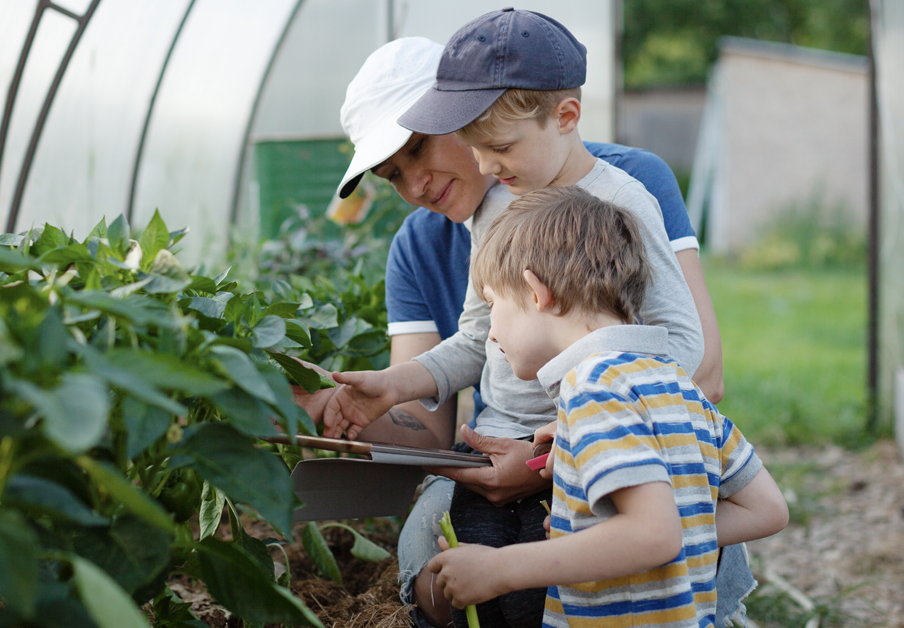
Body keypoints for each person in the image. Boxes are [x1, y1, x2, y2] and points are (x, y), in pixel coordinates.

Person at [296, 24, 737, 628]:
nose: (415, 185)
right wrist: (395, 385)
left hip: (594, 449)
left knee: (547, 588)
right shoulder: (493, 210)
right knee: (461, 578)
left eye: (420, 148)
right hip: (496, 451)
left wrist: (554, 446)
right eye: (391, 175)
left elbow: (692, 354)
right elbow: (478, 339)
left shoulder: (624, 193)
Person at [426, 186, 789, 628]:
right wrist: (602, 539)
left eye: (492, 305)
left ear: (534, 291)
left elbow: (653, 535)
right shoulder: (675, 384)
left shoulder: (592, 388)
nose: (492, 334)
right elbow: (767, 508)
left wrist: (500, 569)